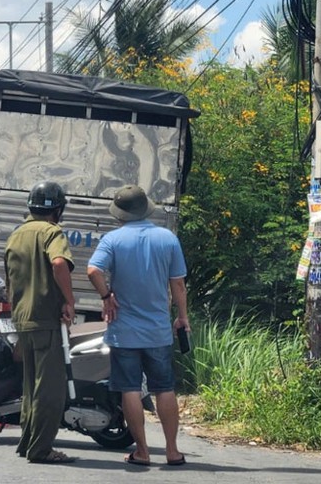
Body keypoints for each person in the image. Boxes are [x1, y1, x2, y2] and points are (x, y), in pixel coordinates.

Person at [86, 184, 190, 467]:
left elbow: (93, 269)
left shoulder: (113, 239)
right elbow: (178, 283)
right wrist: (182, 317)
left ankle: (142, 451)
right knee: (164, 388)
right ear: (146, 208)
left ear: (120, 213)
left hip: (124, 331)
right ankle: (172, 451)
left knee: (130, 388)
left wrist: (106, 296)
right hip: (158, 330)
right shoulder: (167, 238)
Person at [4, 181, 77, 465]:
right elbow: (59, 263)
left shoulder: (16, 234)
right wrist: (69, 301)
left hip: (23, 319)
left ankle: (27, 443)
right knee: (50, 390)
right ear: (57, 210)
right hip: (46, 320)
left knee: (31, 386)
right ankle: (41, 449)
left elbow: (11, 279)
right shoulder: (51, 232)